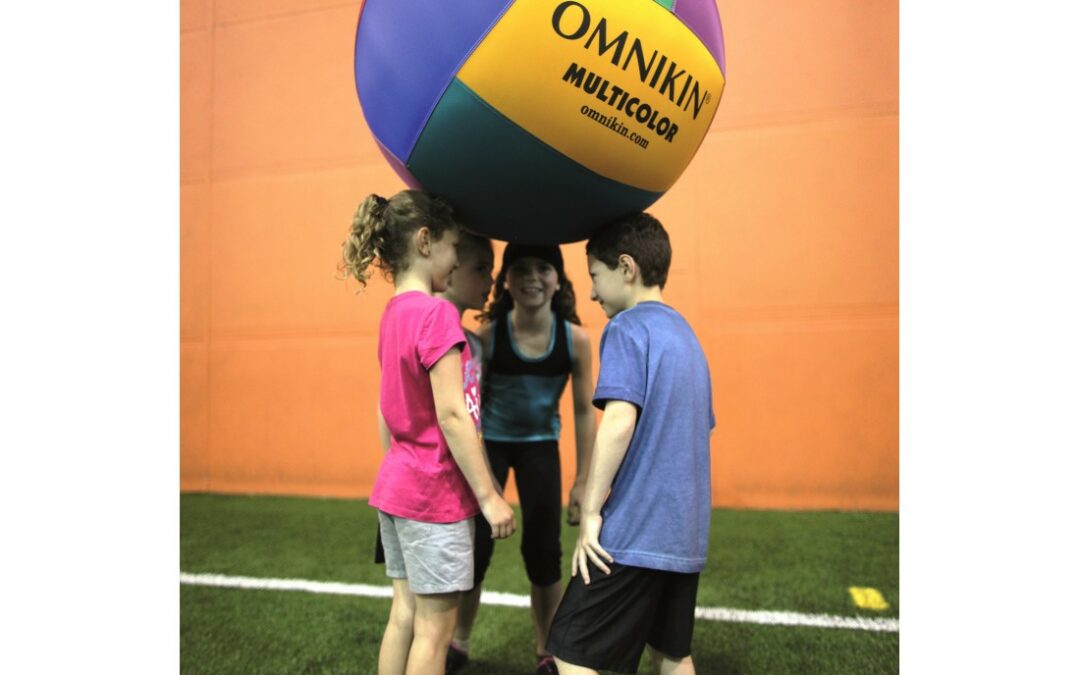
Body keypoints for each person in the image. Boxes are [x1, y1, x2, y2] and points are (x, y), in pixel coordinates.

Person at [340, 190, 515, 675]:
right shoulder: (437, 314)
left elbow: (388, 408)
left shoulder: (393, 311)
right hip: (433, 494)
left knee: (404, 615)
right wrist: (489, 497)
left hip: (396, 488)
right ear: (424, 241)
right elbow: (453, 415)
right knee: (435, 631)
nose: (457, 259)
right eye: (454, 246)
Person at [546, 213, 715, 675]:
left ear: (626, 268)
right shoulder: (688, 339)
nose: (592, 292)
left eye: (595, 276)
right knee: (671, 654)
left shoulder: (626, 327)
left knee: (569, 652)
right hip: (684, 535)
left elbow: (619, 421)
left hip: (635, 533)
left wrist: (592, 512)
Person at [447, 244, 597, 675]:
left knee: (544, 551)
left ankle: (547, 650)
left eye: (543, 268)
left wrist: (583, 480)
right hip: (491, 444)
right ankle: (459, 642)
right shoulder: (489, 337)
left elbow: (584, 411)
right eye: (521, 269)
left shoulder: (575, 340)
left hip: (540, 447)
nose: (533, 278)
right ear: (506, 280)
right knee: (475, 548)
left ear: (559, 279)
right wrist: (481, 475)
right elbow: (471, 409)